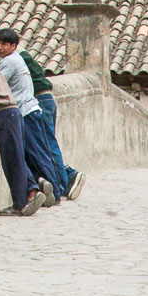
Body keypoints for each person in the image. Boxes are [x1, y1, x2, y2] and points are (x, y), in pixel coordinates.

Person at [0, 28, 62, 205]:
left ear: (13, 46)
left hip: (23, 110)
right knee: (35, 153)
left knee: (34, 154)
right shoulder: (12, 59)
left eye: (2, 44)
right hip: (26, 108)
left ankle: (50, 192)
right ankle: (42, 188)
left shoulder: (8, 62)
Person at [19, 45, 85, 200]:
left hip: (39, 100)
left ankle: (61, 185)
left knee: (47, 146)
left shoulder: (12, 56)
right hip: (46, 99)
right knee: (46, 145)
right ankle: (68, 174)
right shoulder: (20, 52)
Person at [0, 59, 44, 216]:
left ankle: (20, 203)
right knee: (16, 157)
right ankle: (32, 190)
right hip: (9, 113)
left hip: (4, 113)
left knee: (12, 160)